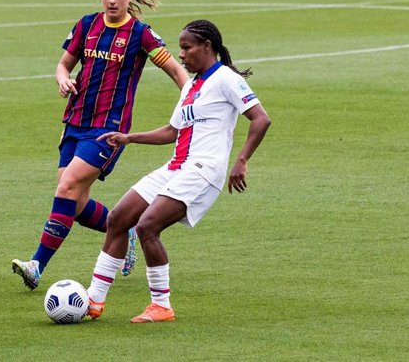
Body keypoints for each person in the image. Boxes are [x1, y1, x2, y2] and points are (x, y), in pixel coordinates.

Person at [12, 0, 189, 290]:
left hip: (108, 130)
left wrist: (191, 99)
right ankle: (129, 230)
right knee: (75, 204)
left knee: (65, 189)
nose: (111, 0)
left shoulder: (140, 34)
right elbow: (64, 64)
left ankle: (37, 265)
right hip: (75, 122)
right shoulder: (86, 25)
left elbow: (177, 71)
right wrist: (63, 79)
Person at [86, 19, 271, 323]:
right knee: (118, 218)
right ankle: (94, 299)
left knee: (147, 226)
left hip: (203, 171)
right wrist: (129, 138)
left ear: (206, 47)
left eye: (186, 48)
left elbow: (261, 118)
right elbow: (172, 131)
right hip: (176, 167)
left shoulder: (225, 78)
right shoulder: (191, 87)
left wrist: (241, 160)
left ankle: (161, 305)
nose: (181, 55)